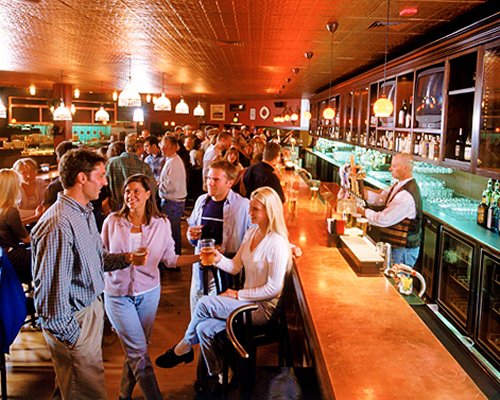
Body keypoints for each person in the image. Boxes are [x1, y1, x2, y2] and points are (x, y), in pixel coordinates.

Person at [155, 187, 291, 387]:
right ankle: (221, 373)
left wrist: (238, 294)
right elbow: (235, 267)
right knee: (203, 329)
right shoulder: (252, 232)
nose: (250, 213)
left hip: (261, 309)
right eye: (250, 208)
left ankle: (183, 347)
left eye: (255, 210)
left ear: (270, 212)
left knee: (203, 304)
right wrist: (217, 259)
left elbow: (273, 288)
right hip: (247, 304)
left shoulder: (277, 243)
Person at [31, 149, 131, 400]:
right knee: (87, 391)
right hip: (75, 321)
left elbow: (91, 263)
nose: (106, 182)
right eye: (100, 175)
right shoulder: (59, 224)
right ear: (81, 178)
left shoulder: (83, 212)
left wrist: (125, 259)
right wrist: (73, 338)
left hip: (89, 311)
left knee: (71, 387)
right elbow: (50, 294)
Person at [101, 174, 198, 400]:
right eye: (127, 191)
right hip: (117, 295)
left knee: (137, 350)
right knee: (138, 351)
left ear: (148, 194)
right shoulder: (112, 222)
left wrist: (199, 258)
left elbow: (170, 259)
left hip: (148, 294)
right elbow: (101, 256)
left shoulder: (161, 224)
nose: (130, 195)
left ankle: (124, 395)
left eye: (136, 191)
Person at [185, 160, 252, 313]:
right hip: (201, 268)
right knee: (198, 307)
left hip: (226, 270)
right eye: (208, 178)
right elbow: (193, 234)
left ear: (230, 182)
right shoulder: (202, 201)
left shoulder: (243, 205)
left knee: (216, 311)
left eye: (216, 180)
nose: (210, 183)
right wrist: (191, 235)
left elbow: (257, 236)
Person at [360, 153, 422, 267]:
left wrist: (363, 212)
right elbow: (380, 198)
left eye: (394, 166)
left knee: (396, 283)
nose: (390, 169)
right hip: (396, 248)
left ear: (405, 168)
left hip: (402, 251)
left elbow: (384, 219)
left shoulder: (406, 195)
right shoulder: (400, 186)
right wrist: (359, 188)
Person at [107, 134, 155, 211]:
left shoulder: (112, 162)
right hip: (136, 208)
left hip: (116, 207)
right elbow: (152, 188)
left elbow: (105, 185)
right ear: (139, 148)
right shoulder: (144, 167)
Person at [0, 169, 32, 284]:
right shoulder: (10, 211)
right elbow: (26, 239)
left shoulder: (2, 209)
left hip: (3, 254)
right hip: (12, 257)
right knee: (46, 254)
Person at [159, 135, 187, 255]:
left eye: (165, 146)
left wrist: (158, 186)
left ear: (173, 147)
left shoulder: (174, 162)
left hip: (173, 203)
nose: (162, 148)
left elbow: (172, 186)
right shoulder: (171, 160)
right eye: (162, 145)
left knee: (172, 233)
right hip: (172, 201)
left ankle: (174, 259)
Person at [12, 157, 47, 224]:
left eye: (32, 172)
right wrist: (35, 213)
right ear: (17, 174)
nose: (29, 176)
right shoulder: (13, 189)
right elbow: (14, 213)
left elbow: (48, 204)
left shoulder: (42, 184)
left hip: (42, 221)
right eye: (24, 173)